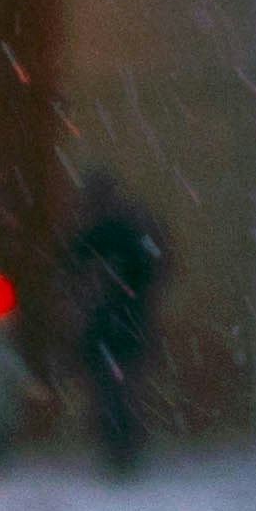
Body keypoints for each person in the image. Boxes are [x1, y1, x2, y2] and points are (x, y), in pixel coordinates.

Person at [66, 174, 168, 480]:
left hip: (116, 324)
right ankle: (119, 447)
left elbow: (72, 272)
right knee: (117, 388)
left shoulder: (109, 232)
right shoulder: (115, 232)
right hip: (118, 324)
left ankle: (120, 447)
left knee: (116, 389)